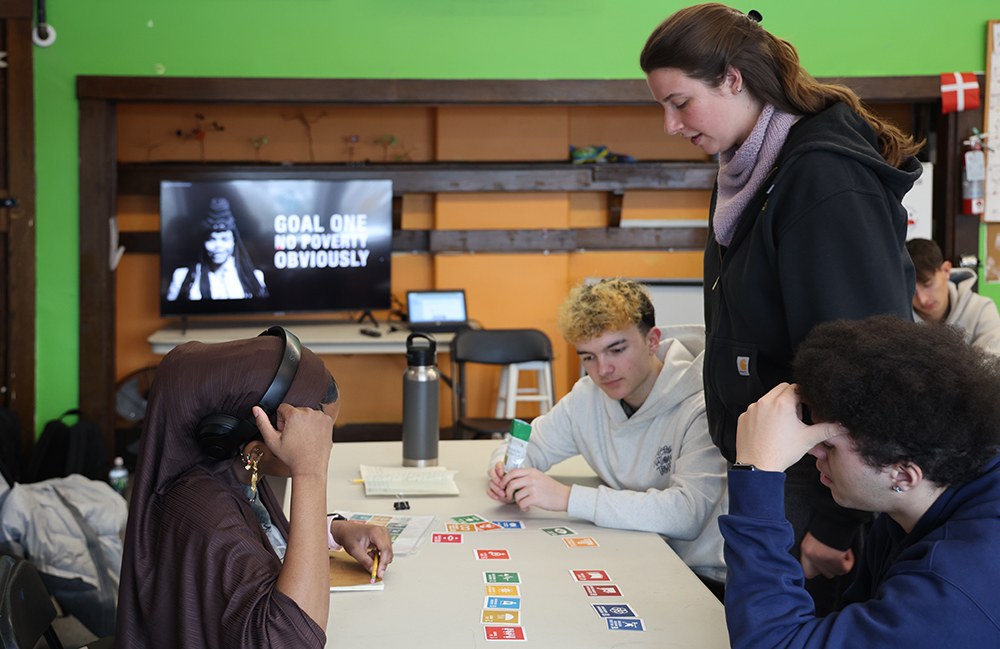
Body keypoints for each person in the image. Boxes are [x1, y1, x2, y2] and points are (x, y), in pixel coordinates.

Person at [639, 3, 922, 611]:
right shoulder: (748, 170)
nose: (669, 124)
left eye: (680, 102)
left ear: (734, 79)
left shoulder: (819, 177)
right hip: (771, 465)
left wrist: (834, 527)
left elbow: (871, 361)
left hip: (822, 479)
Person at [722, 315, 1000, 647]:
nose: (813, 454)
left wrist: (757, 475)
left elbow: (773, 643)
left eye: (828, 445)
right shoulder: (911, 509)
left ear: (903, 474)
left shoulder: (952, 586)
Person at [115, 329, 392, 649]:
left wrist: (334, 530)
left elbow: (260, 533)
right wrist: (311, 472)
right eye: (314, 442)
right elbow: (289, 639)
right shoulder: (205, 515)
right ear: (257, 451)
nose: (323, 447)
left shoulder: (230, 472)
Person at [486, 279, 728, 585]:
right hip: (631, 554)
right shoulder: (587, 397)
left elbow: (687, 514)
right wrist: (505, 469)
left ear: (652, 340)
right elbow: (530, 444)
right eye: (588, 356)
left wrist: (566, 497)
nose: (603, 370)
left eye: (616, 350)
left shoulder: (703, 403)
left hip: (700, 576)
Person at [905, 237, 1000, 352]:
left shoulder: (981, 310)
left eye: (927, 284)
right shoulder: (899, 320)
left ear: (946, 270)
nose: (922, 299)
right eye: (911, 291)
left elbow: (991, 366)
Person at [166, 196, 269, 301]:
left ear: (233, 241)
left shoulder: (254, 278)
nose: (218, 246)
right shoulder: (182, 277)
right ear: (203, 242)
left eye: (224, 239)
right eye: (212, 239)